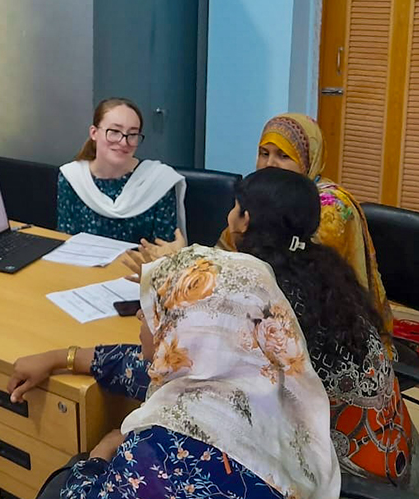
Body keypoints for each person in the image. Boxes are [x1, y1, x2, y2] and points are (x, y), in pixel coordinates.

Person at [124, 169, 419, 499]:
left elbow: (196, 369)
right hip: (409, 465)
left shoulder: (266, 298)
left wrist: (176, 273)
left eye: (234, 207)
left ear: (244, 219)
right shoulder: (324, 269)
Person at [9, 245, 341, 499]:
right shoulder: (273, 382)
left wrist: (100, 453)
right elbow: (143, 369)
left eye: (158, 312)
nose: (141, 314)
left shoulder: (158, 453)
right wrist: (62, 358)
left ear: (190, 330)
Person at [146, 113, 394, 338]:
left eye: (283, 156)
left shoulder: (330, 207)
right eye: (264, 153)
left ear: (309, 159)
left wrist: (180, 267)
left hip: (324, 326)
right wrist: (184, 264)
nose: (269, 164)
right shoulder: (263, 196)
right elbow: (226, 254)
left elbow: (275, 275)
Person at [56, 98, 186, 243]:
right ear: (94, 133)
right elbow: (64, 240)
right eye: (114, 131)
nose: (124, 142)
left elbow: (164, 252)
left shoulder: (158, 181)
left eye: (132, 134)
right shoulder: (72, 177)